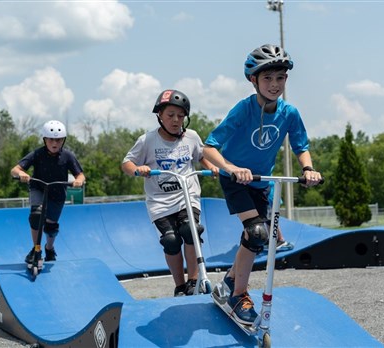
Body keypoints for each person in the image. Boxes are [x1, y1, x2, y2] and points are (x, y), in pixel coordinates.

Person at [204, 44, 322, 325]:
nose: (274, 85)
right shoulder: (243, 110)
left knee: (260, 239)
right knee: (256, 233)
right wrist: (231, 168)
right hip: (235, 179)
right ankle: (239, 295)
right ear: (253, 80)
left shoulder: (289, 113)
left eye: (280, 78)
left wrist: (308, 168)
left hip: (262, 183)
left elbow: (300, 145)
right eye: (267, 78)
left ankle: (230, 282)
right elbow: (209, 147)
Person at [121, 89, 218, 297]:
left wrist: (213, 167)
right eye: (170, 115)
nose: (176, 120)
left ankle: (194, 280)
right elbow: (126, 163)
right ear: (160, 116)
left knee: (190, 230)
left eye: (181, 116)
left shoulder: (191, 137)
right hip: (160, 201)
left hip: (187, 195)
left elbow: (201, 155)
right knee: (171, 240)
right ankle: (180, 285)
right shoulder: (147, 140)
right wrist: (138, 170)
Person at [11, 120, 85, 263]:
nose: (54, 143)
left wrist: (79, 180)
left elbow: (80, 174)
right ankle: (36, 248)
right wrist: (21, 174)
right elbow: (15, 169)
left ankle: (49, 248)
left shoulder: (68, 156)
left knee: (51, 226)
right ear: (45, 140)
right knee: (36, 215)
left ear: (63, 140)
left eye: (58, 140)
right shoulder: (37, 154)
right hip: (38, 188)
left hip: (57, 193)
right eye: (51, 139)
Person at [262, 180, 293, 252]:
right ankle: (275, 239)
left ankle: (280, 240)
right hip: (269, 196)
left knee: (271, 220)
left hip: (270, 197)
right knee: (268, 220)